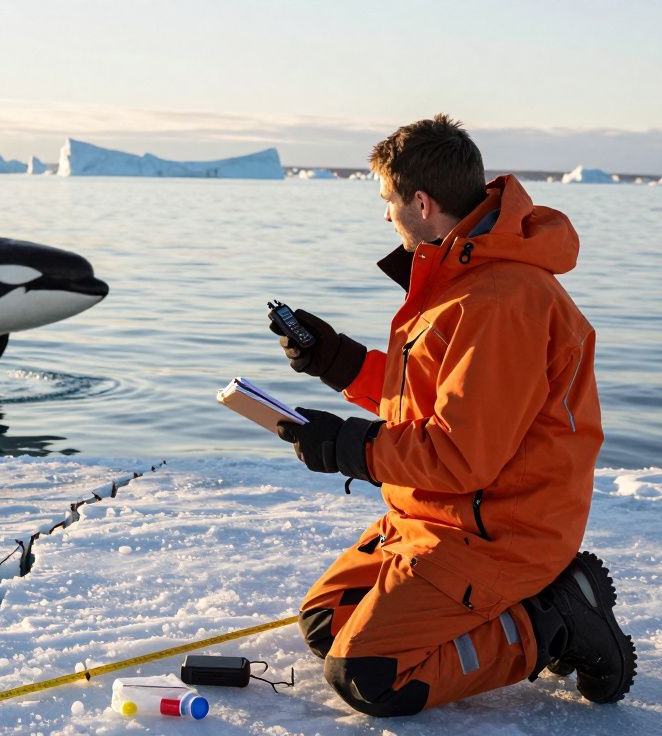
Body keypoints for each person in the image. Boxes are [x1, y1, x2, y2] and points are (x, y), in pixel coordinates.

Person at [272, 114, 635, 717]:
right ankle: (522, 609)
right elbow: (430, 404)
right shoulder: (461, 274)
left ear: (421, 202)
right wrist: (337, 362)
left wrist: (346, 448)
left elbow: (461, 454)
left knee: (369, 676)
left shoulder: (500, 301)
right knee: (323, 625)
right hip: (433, 518)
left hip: (499, 532)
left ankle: (555, 618)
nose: (385, 215)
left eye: (387, 201)